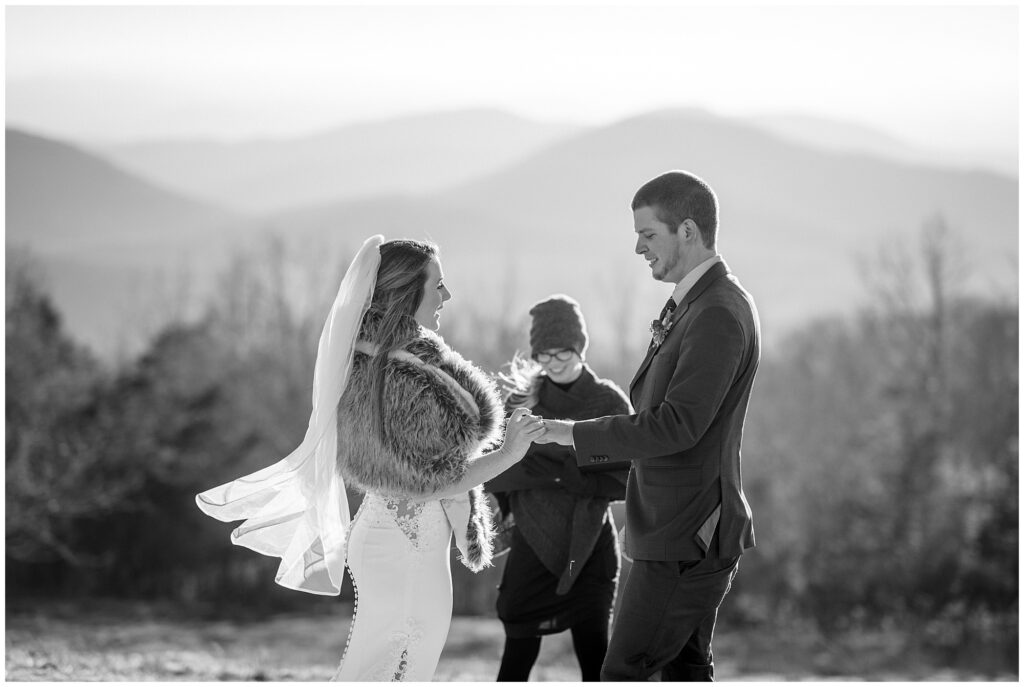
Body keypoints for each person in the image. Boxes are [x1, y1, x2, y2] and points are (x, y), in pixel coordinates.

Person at [196, 236, 545, 682]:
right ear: (406, 292)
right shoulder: (403, 376)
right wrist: (511, 452)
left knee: (387, 669)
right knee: (398, 671)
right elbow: (430, 481)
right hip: (407, 546)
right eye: (438, 285)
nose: (447, 296)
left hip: (396, 539)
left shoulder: (374, 363)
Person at [537, 171, 760, 681]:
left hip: (687, 534)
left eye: (648, 234)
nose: (637, 247)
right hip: (674, 528)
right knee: (683, 671)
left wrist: (572, 433)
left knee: (625, 673)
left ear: (687, 230)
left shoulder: (718, 314)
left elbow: (676, 425)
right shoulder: (698, 304)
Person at [484, 295, 631, 681]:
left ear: (580, 348)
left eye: (561, 354)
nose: (552, 364)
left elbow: (630, 475)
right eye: (543, 356)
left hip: (590, 548)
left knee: (594, 656)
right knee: (516, 651)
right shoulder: (521, 401)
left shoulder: (608, 400)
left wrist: (566, 473)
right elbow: (494, 469)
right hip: (532, 543)